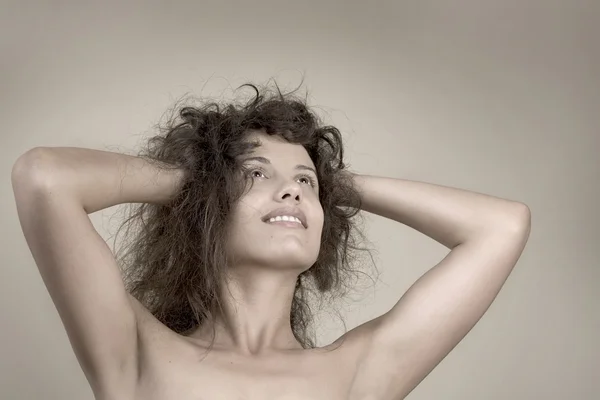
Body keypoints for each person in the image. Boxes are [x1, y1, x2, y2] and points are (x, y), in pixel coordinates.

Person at [11, 82, 531, 400]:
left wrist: (330, 182)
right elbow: (45, 177)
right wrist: (202, 183)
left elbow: (501, 226)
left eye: (304, 182)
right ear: (209, 208)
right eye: (257, 174)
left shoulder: (358, 371)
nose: (291, 189)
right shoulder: (135, 350)